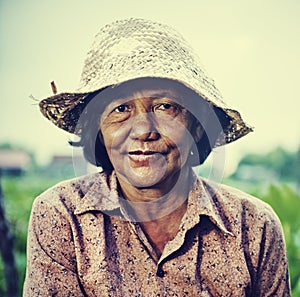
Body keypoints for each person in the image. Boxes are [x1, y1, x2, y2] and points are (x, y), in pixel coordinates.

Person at [23, 18, 291, 296]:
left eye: (165, 106)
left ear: (197, 125)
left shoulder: (253, 224)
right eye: (121, 109)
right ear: (98, 130)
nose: (143, 131)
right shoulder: (62, 215)